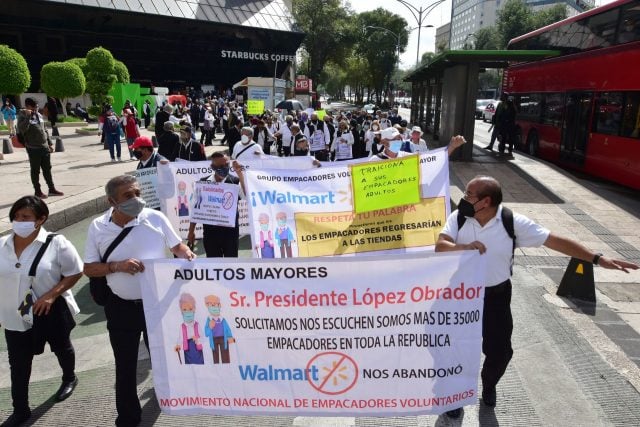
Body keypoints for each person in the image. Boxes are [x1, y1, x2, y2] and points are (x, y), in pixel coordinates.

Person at [435, 175, 638, 418]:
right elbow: (440, 245)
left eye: (469, 194)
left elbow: (554, 241)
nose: (464, 198)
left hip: (496, 297)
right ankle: (455, 395)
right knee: (456, 348)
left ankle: (489, 385)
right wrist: (463, 248)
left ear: (485, 201)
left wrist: (597, 258)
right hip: (461, 297)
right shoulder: (459, 218)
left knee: (500, 352)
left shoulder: (511, 222)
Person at [83, 175, 196, 427]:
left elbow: (177, 246)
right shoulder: (98, 227)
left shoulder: (155, 218)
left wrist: (186, 253)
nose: (135, 199)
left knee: (163, 358)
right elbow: (89, 268)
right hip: (120, 307)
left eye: (136, 192)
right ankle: (128, 416)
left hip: (156, 305)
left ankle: (168, 399)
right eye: (127, 196)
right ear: (111, 201)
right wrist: (116, 266)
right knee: (125, 365)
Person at [0, 196, 83, 427]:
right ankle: (21, 410)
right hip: (15, 314)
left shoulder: (57, 243)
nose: (19, 221)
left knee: (61, 347)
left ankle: (69, 377)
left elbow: (75, 272)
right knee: (18, 363)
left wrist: (52, 294)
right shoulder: (2, 244)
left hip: (49, 310)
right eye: (16, 216)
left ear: (40, 219)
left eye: (25, 217)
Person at [187, 153, 245, 257]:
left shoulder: (235, 182)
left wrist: (240, 174)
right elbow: (196, 209)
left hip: (230, 234)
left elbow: (247, 196)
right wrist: (191, 231)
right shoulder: (203, 184)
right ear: (213, 167)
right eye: (220, 167)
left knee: (230, 265)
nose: (224, 168)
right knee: (213, 265)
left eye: (226, 165)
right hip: (211, 233)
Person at [17, 98, 64, 198]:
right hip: (33, 148)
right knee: (35, 170)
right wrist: (28, 117)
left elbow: (44, 129)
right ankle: (37, 191)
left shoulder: (38, 114)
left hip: (44, 147)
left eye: (37, 106)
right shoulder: (22, 115)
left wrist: (49, 143)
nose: (36, 108)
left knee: (47, 169)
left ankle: (51, 189)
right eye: (33, 107)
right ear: (27, 106)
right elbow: (22, 129)